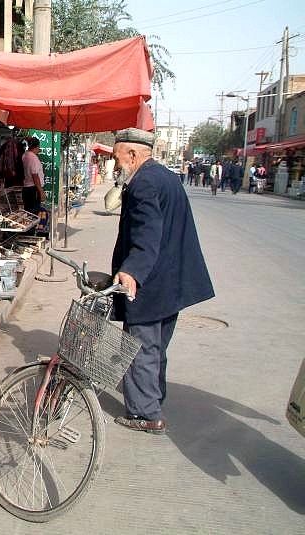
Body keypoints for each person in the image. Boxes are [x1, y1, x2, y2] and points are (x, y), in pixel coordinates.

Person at [110, 128, 215, 434]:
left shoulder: (143, 183)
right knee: (155, 348)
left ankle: (145, 414)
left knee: (140, 348)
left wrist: (131, 272)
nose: (117, 166)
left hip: (152, 284)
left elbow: (147, 234)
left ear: (133, 154)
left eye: (118, 158)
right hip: (172, 282)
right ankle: (152, 398)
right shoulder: (166, 177)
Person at [21, 137, 46, 214]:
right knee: (34, 214)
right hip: (33, 189)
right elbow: (35, 175)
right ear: (37, 146)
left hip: (27, 188)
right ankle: (34, 226)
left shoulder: (25, 155)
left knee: (29, 213)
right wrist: (41, 191)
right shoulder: (33, 157)